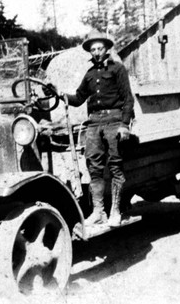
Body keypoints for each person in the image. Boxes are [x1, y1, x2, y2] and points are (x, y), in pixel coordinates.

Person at [62, 30, 135, 227]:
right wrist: (59, 94)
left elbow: (128, 98)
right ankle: (98, 212)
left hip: (114, 121)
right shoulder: (89, 74)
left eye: (99, 48)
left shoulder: (118, 69)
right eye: (93, 49)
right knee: (93, 167)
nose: (96, 52)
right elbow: (78, 99)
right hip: (94, 123)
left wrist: (124, 125)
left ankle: (116, 211)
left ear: (106, 49)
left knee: (115, 166)